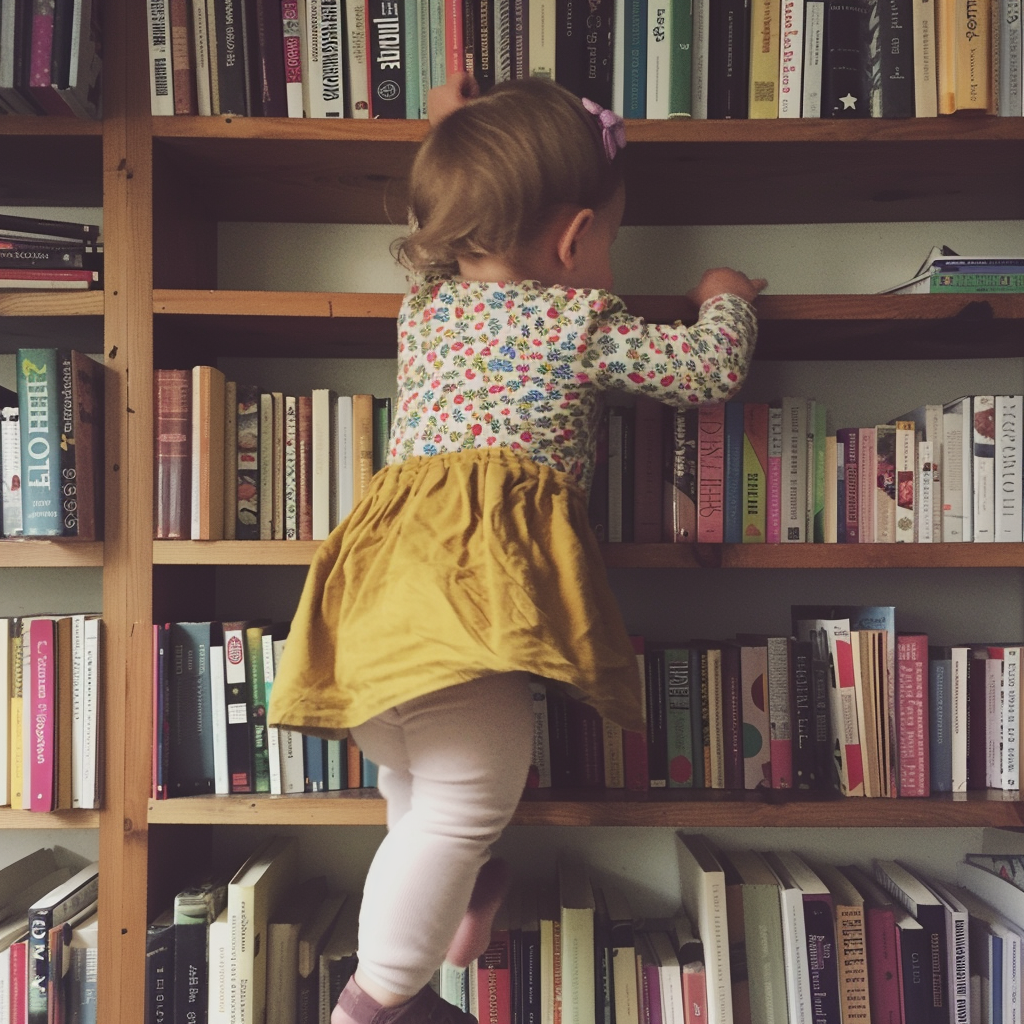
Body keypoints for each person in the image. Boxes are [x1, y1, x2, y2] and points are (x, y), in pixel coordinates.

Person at [267, 72, 766, 1024]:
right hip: (465, 599)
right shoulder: (580, 321)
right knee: (466, 801)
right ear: (576, 239)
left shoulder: (428, 308)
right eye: (610, 239)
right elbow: (708, 368)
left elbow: (434, 238)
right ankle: (369, 1003)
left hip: (375, 601)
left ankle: (457, 915)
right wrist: (725, 295)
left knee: (415, 792)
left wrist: (447, 138)